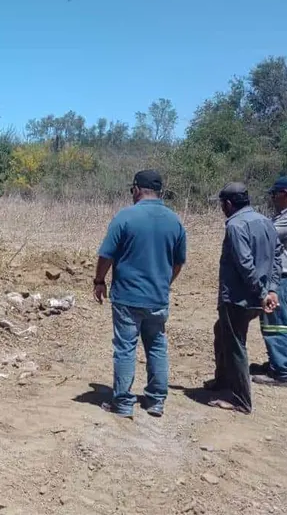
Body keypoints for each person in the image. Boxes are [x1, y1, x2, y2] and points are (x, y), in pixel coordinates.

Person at [94, 169, 187, 418]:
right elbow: (178, 262)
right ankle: (156, 401)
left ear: (136, 189)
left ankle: (123, 403)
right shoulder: (175, 220)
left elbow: (106, 255)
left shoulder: (125, 217)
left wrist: (99, 280)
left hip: (127, 296)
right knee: (156, 345)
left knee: (125, 348)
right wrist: (164, 283)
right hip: (158, 297)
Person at [206, 182, 281, 413]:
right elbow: (277, 257)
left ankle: (241, 400)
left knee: (235, 345)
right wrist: (271, 289)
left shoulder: (235, 225)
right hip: (257, 296)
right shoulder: (266, 222)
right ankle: (222, 380)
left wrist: (262, 293)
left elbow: (244, 264)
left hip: (238, 298)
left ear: (228, 204)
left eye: (222, 204)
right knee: (221, 332)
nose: (221, 208)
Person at [252, 176, 287, 387]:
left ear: (285, 194)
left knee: (278, 325)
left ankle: (282, 373)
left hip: (283, 279)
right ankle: (275, 364)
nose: (273, 198)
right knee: (272, 324)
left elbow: (264, 233)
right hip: (281, 278)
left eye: (275, 194)